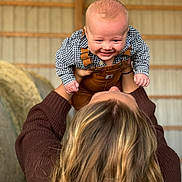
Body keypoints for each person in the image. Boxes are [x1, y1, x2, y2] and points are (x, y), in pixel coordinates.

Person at [15, 65, 181, 182]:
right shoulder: (165, 171)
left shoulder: (49, 173)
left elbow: (38, 124)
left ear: (79, 131)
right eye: (130, 99)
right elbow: (153, 132)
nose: (113, 89)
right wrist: (126, 71)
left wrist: (73, 80)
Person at [55, 0, 150, 110]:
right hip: (85, 91)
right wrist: (69, 79)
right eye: (99, 40)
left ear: (126, 33)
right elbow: (61, 60)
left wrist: (141, 71)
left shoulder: (132, 40)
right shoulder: (75, 46)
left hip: (115, 86)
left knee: (126, 109)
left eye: (116, 40)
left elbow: (142, 53)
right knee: (86, 112)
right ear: (86, 33)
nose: (107, 47)